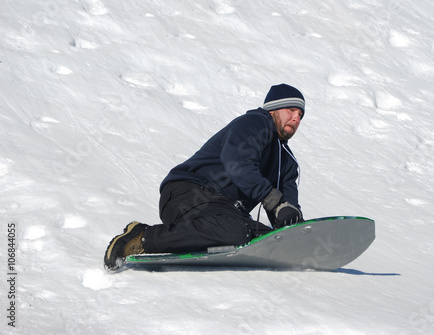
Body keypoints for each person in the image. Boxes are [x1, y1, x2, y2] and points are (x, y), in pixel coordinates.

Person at [104, 83, 306, 270]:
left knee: (263, 240)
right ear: (273, 109)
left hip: (222, 212)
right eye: (291, 110)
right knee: (236, 232)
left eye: (300, 115)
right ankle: (141, 237)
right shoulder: (255, 123)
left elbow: (286, 204)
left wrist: (293, 225)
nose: (296, 118)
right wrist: (274, 201)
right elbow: (238, 163)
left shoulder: (286, 161)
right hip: (188, 193)